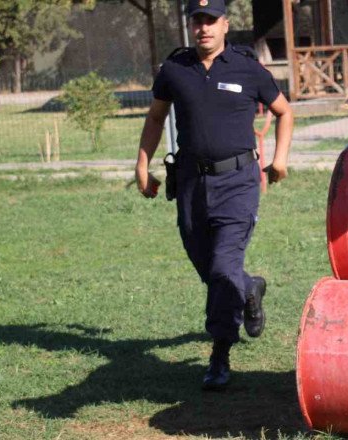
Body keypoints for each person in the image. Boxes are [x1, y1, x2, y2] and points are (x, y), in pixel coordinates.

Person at [133, 0, 293, 391]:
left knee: (222, 269)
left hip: (238, 181)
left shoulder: (247, 68)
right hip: (190, 183)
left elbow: (285, 112)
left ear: (225, 24)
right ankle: (249, 287)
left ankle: (220, 353)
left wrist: (280, 159)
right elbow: (156, 117)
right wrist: (141, 164)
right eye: (197, 21)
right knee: (210, 267)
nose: (203, 28)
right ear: (191, 26)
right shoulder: (175, 69)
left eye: (211, 21)